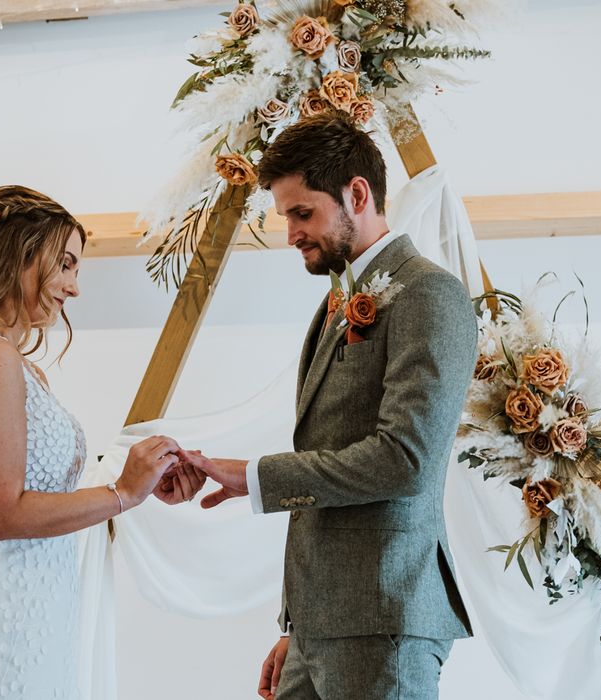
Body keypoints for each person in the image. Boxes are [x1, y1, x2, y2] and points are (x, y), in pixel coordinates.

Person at [183, 112, 477, 699]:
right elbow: (328, 457)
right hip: (322, 627)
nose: (290, 233)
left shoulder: (428, 293)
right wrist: (300, 625)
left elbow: (404, 459)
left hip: (385, 622)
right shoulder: (334, 303)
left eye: (302, 212)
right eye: (286, 215)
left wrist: (254, 476)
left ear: (357, 194)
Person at [0, 186, 203, 699]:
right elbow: (3, 513)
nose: (74, 288)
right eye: (66, 265)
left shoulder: (17, 365)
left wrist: (141, 477)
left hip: (35, 615)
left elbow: (42, 490)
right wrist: (122, 493)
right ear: (19, 256)